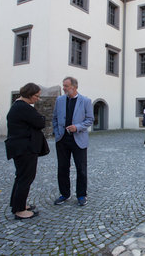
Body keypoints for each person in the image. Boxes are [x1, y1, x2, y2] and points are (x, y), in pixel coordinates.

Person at [5, 83, 45, 220]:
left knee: (20, 176)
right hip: (25, 148)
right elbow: (40, 122)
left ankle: (17, 204)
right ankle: (20, 210)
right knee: (25, 178)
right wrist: (41, 118)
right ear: (29, 94)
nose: (37, 99)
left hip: (20, 147)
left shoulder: (17, 106)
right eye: (36, 96)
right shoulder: (23, 107)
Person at [52, 77, 94, 206]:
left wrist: (77, 127)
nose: (63, 88)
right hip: (62, 140)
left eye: (66, 86)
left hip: (78, 139)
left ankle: (81, 195)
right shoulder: (59, 100)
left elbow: (90, 119)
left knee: (81, 169)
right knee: (62, 168)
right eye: (63, 85)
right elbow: (54, 118)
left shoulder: (85, 101)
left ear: (74, 87)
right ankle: (64, 194)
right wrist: (57, 132)